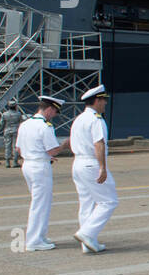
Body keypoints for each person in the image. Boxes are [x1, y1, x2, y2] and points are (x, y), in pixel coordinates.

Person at [14, 96, 67, 251]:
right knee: (40, 204)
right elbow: (53, 150)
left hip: (28, 164)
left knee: (40, 202)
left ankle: (40, 235)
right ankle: (33, 241)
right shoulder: (45, 126)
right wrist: (64, 145)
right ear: (50, 109)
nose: (55, 115)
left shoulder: (25, 124)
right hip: (40, 167)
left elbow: (18, 149)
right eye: (55, 112)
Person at [70, 85, 118, 253]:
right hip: (91, 163)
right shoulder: (96, 120)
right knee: (109, 201)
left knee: (87, 203)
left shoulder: (79, 119)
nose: (105, 103)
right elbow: (99, 143)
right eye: (104, 100)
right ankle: (87, 233)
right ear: (97, 100)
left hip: (77, 163)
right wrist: (102, 168)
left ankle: (88, 244)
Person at [0, 100, 24, 168]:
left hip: (7, 130)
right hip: (16, 130)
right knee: (15, 146)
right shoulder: (18, 114)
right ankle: (15, 162)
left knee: (7, 146)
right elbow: (21, 122)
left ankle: (7, 162)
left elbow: (1, 123)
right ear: (15, 106)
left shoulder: (5, 114)